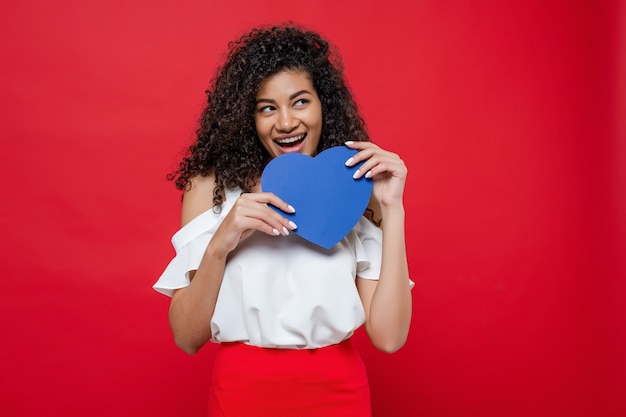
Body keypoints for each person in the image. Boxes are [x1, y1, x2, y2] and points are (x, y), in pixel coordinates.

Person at [153, 23, 412, 417]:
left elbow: (389, 337)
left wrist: (393, 210)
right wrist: (222, 242)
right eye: (267, 108)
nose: (286, 122)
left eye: (301, 101)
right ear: (247, 118)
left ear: (324, 103)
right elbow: (187, 338)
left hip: (339, 397)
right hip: (241, 398)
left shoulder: (353, 188)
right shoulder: (212, 189)